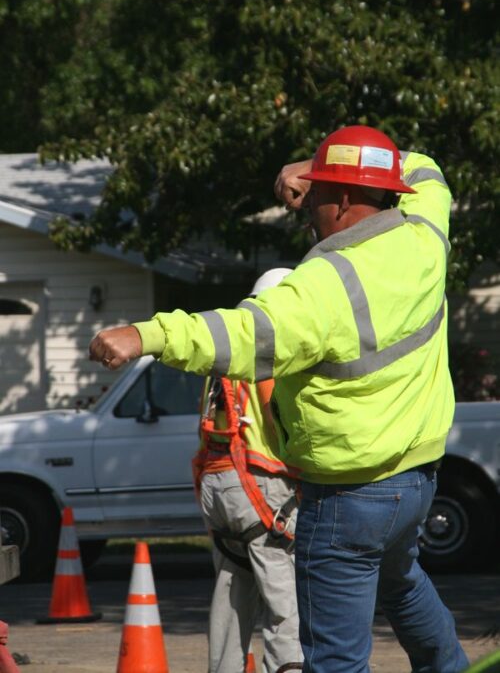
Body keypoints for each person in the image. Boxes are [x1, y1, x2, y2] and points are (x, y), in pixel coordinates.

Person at [89, 124, 469, 673]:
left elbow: (240, 335)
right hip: (416, 481)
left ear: (340, 199)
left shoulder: (326, 284)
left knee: (334, 659)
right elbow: (426, 167)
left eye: (315, 191)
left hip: (348, 499)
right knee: (403, 586)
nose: (305, 203)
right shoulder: (425, 234)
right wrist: (310, 163)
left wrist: (145, 335)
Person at [192, 267, 303, 673]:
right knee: (282, 596)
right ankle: (289, 668)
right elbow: (282, 423)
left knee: (232, 590)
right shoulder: (269, 349)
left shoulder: (225, 354)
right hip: (258, 487)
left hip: (218, 486)